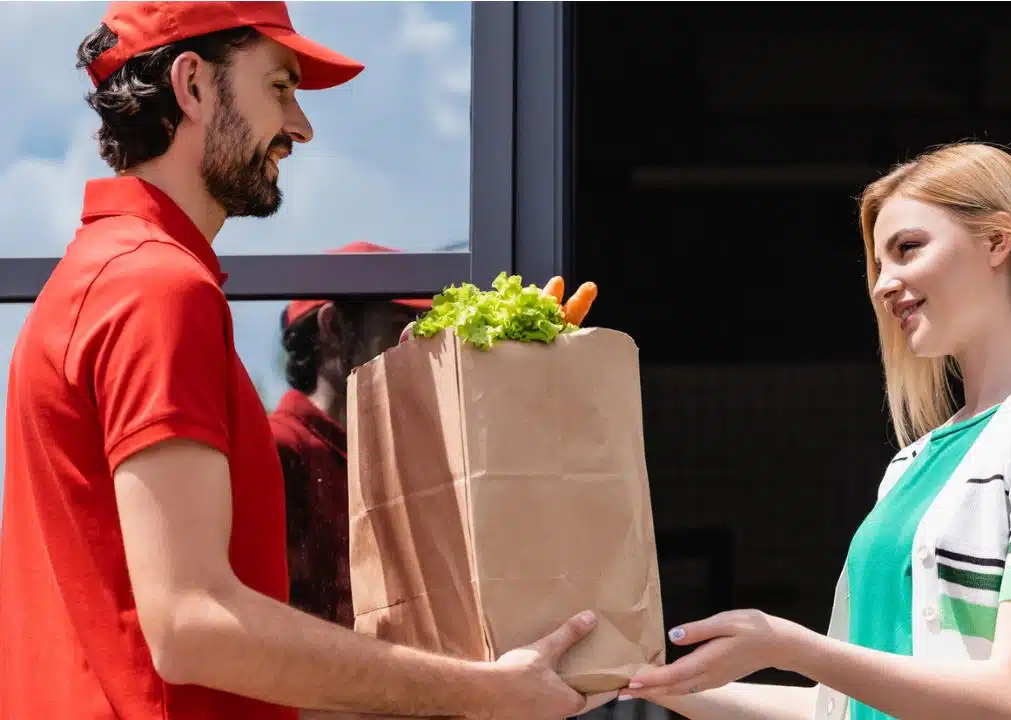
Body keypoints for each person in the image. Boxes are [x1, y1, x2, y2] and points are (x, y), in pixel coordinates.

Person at [0, 4, 604, 719]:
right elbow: (192, 627)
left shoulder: (100, 276)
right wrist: (486, 693)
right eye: (280, 88)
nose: (300, 127)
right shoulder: (156, 288)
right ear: (192, 86)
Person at [623, 142, 1011, 720]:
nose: (882, 285)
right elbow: (840, 710)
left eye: (907, 249)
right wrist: (647, 684)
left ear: (998, 241)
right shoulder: (910, 466)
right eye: (878, 264)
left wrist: (789, 646)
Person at [271, 241, 433, 630]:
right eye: (398, 331)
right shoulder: (277, 450)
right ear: (334, 329)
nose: (416, 349)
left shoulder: (395, 455)